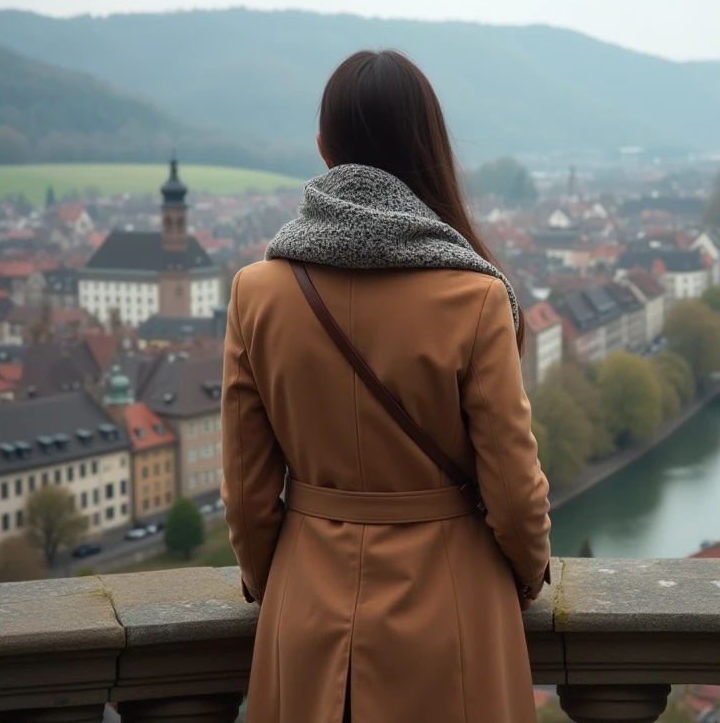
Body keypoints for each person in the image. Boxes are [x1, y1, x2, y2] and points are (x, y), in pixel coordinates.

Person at [221, 50, 553, 723]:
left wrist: (277, 584)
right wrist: (522, 576)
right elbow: (515, 495)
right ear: (428, 150)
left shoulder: (256, 293)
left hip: (306, 613)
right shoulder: (477, 297)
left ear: (324, 150)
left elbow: (249, 498)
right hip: (451, 615)